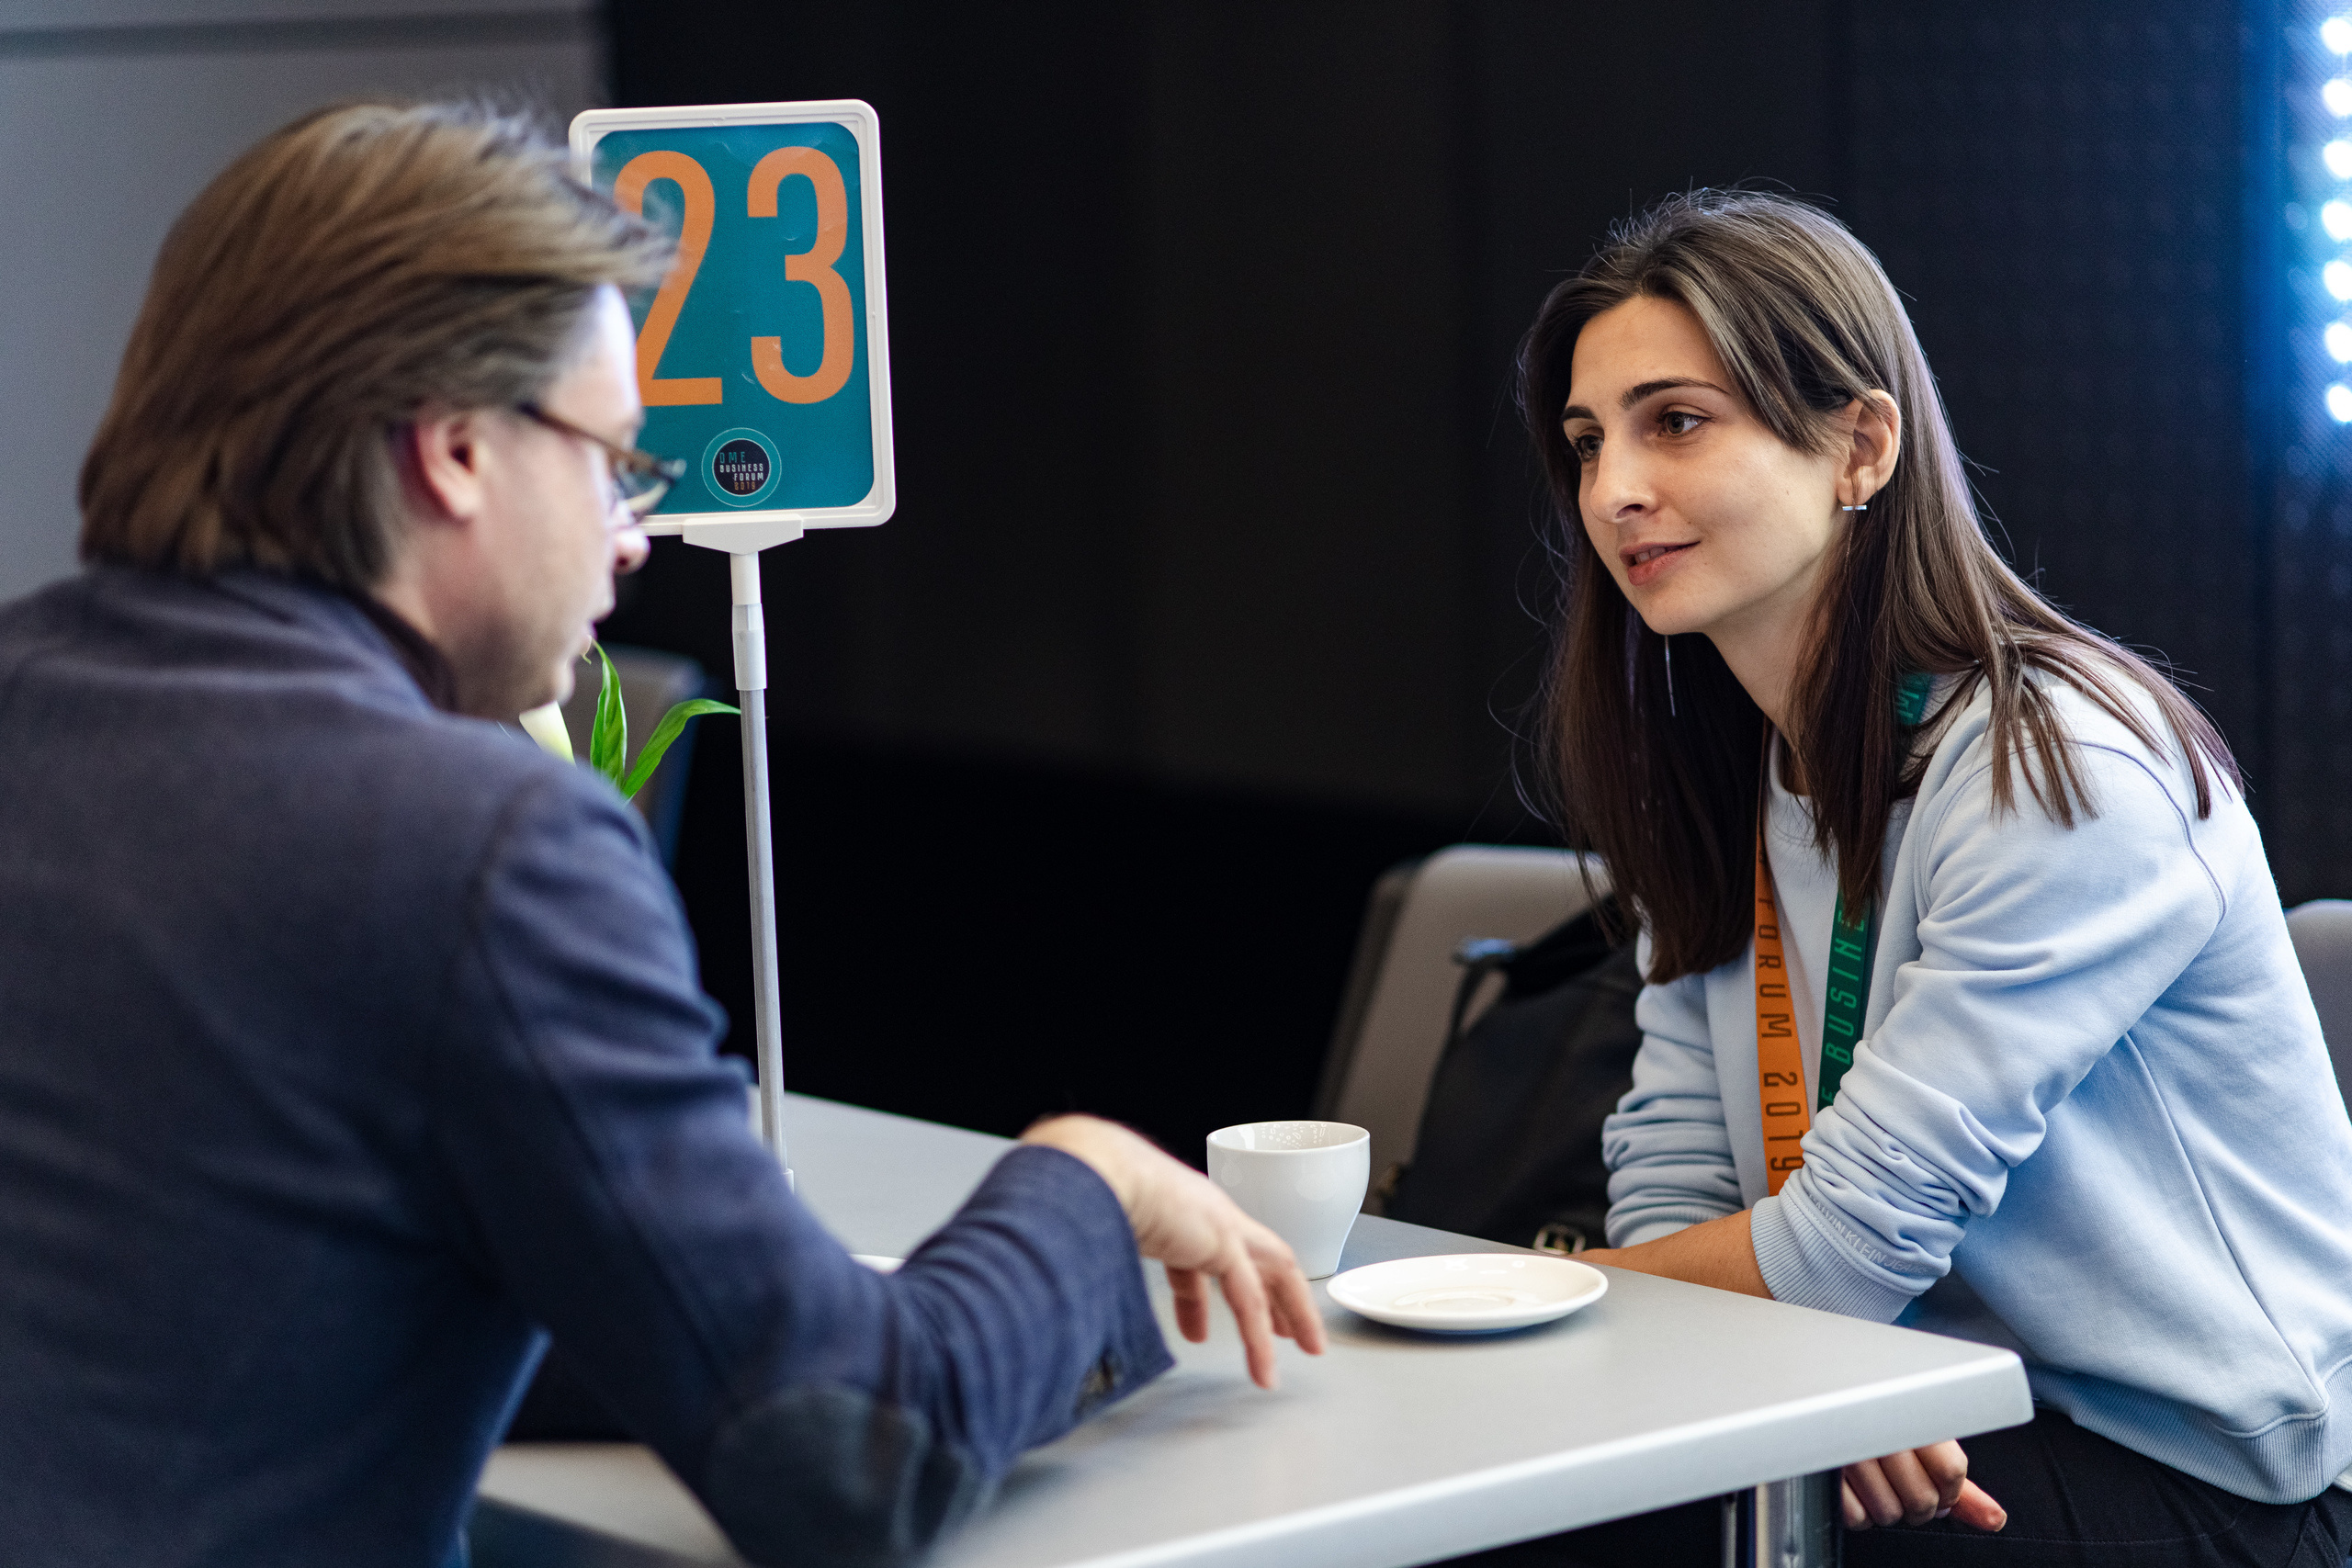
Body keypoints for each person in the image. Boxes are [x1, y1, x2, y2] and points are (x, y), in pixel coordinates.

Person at [0, 101, 1322, 1568]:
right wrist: (1087, 1180)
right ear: (452, 452)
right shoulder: (478, 845)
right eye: (614, 458)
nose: (632, 531)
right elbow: (854, 1457)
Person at [1507, 190, 2352, 1566]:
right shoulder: (1735, 769)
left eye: (1676, 421)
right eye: (1588, 442)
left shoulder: (2062, 765)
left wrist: (1564, 1307)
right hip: (1932, 1399)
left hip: (2221, 1481)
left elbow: (1839, 1247)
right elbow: (1675, 1172)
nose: (1613, 492)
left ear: (1862, 442)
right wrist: (1798, 1358)